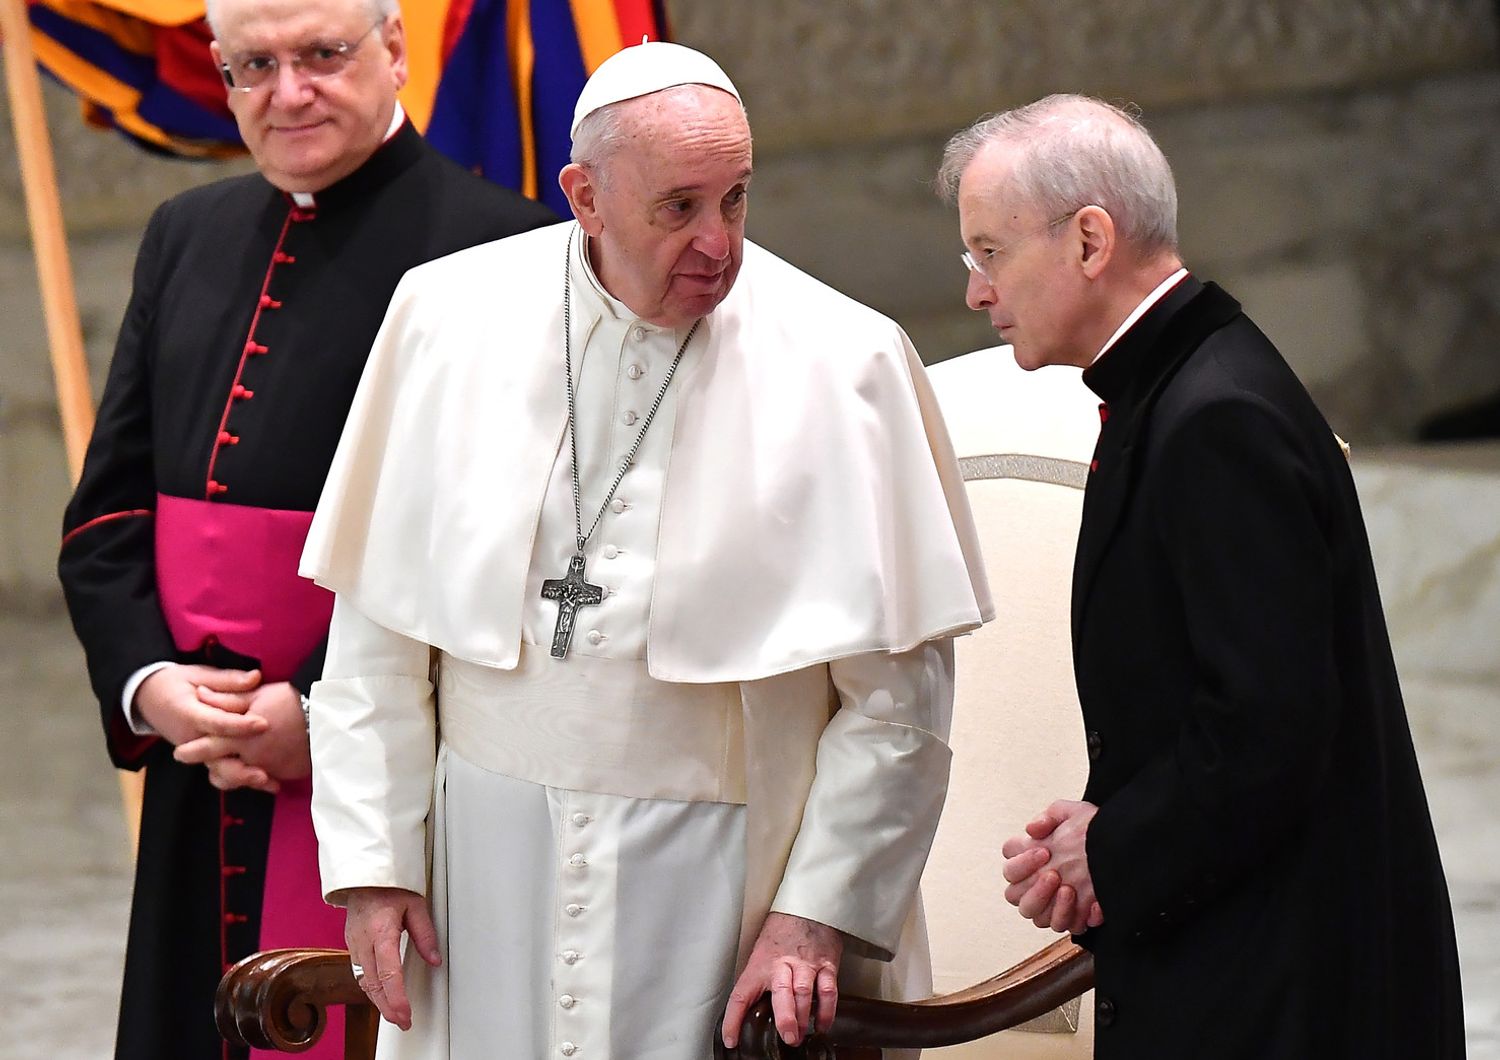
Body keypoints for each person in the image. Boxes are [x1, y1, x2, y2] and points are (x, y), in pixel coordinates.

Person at [299, 41, 992, 1060]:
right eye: (679, 208)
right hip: (484, 878)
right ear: (585, 195)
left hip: (718, 888)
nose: (719, 242)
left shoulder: (847, 364)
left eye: (736, 200)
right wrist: (375, 864)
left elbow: (899, 702)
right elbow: (379, 635)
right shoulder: (446, 319)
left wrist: (815, 914)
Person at [56, 0, 553, 1054]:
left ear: (397, 52)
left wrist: (322, 717)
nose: (289, 93)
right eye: (254, 66)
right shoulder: (184, 235)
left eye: (323, 55)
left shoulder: (507, 250)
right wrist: (154, 684)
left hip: (383, 780)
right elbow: (106, 512)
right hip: (201, 764)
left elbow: (497, 537)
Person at [936, 95, 1465, 1058]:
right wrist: (1110, 823)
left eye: (988, 252)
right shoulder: (1179, 385)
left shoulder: (1216, 418)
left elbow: (1272, 724)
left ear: (1090, 239)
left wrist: (1109, 851)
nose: (976, 290)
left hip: (1282, 991)